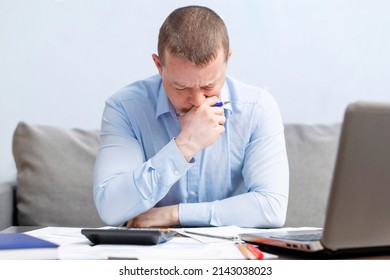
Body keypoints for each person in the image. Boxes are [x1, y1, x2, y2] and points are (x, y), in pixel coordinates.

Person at [93, 5, 289, 228]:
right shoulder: (125, 108)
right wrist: (185, 145)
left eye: (208, 85)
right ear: (159, 65)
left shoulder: (258, 109)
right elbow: (111, 209)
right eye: (181, 87)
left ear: (228, 58)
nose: (197, 101)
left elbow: (272, 208)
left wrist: (175, 214)